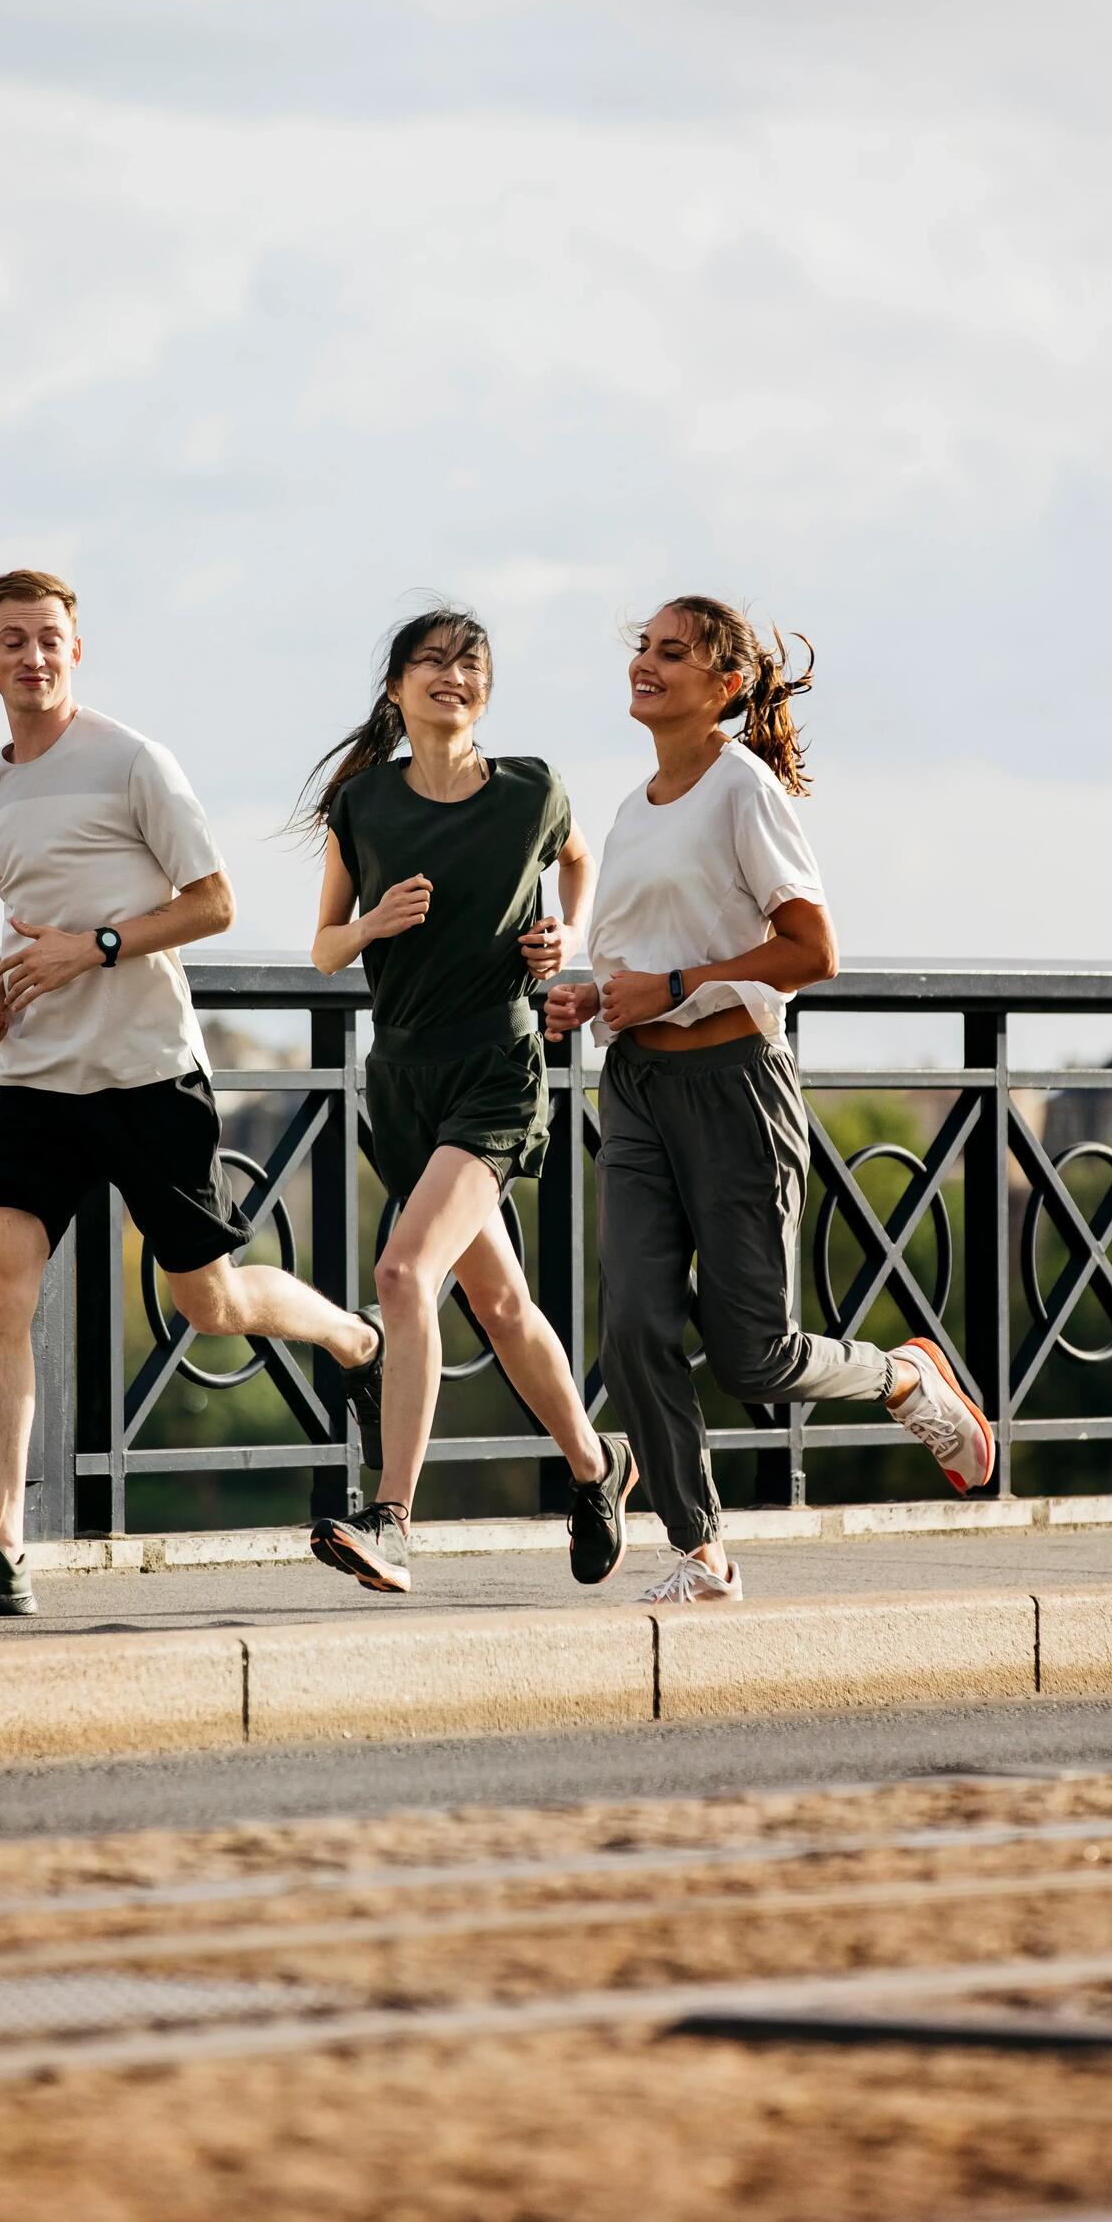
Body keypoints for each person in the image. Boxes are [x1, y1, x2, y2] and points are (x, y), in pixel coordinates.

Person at [0, 567, 382, 1615]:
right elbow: (39, 925)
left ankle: (354, 1339)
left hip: (151, 1073)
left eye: (51, 639)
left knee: (209, 1304)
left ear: (79, 649)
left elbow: (214, 903)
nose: (34, 656)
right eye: (14, 640)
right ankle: (0, 1547)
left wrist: (100, 948)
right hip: (37, 1078)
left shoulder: (133, 761)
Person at [545, 595, 992, 1607]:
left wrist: (680, 983)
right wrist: (587, 997)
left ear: (727, 686)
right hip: (637, 1090)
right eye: (643, 650)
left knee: (754, 1355)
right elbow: (638, 967)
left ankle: (904, 1378)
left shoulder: (741, 789)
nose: (645, 666)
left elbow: (812, 951)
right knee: (635, 1326)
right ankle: (702, 1549)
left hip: (735, 1089)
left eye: (673, 654)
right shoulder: (629, 809)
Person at [301, 607, 636, 1596]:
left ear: (484, 690)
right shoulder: (362, 803)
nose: (452, 676)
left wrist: (565, 935)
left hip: (496, 1066)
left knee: (403, 1275)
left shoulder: (531, 790)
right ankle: (594, 1464)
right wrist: (373, 925)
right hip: (400, 1079)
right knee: (496, 1300)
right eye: (431, 662)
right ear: (397, 688)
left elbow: (579, 864)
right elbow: (321, 948)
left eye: (469, 663)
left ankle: (393, 1518)